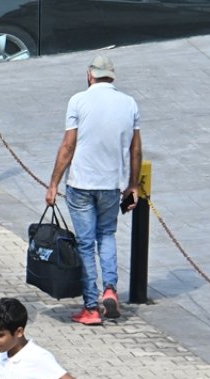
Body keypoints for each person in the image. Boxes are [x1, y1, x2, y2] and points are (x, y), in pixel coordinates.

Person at [45, 55, 142, 325]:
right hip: (111, 185)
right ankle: (110, 288)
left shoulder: (78, 100)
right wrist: (132, 184)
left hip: (80, 184)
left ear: (90, 75)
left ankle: (91, 306)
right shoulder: (129, 104)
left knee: (86, 244)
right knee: (107, 235)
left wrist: (53, 183)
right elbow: (136, 149)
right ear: (112, 76)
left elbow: (68, 146)